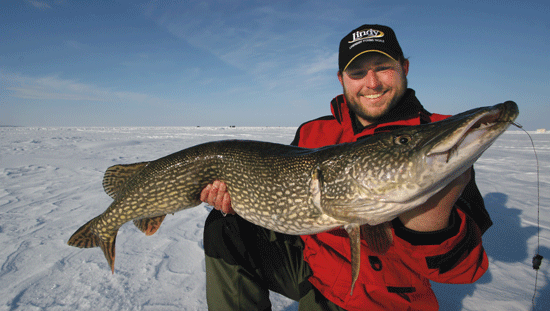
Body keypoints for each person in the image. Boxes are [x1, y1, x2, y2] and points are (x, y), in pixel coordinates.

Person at [200, 24, 491, 310]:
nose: (372, 83)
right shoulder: (313, 133)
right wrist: (247, 199)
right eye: (357, 72)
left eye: (383, 66)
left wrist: (433, 225)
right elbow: (285, 197)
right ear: (342, 79)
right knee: (225, 226)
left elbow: (464, 271)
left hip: (387, 299)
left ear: (404, 67)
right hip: (316, 273)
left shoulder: (439, 145)